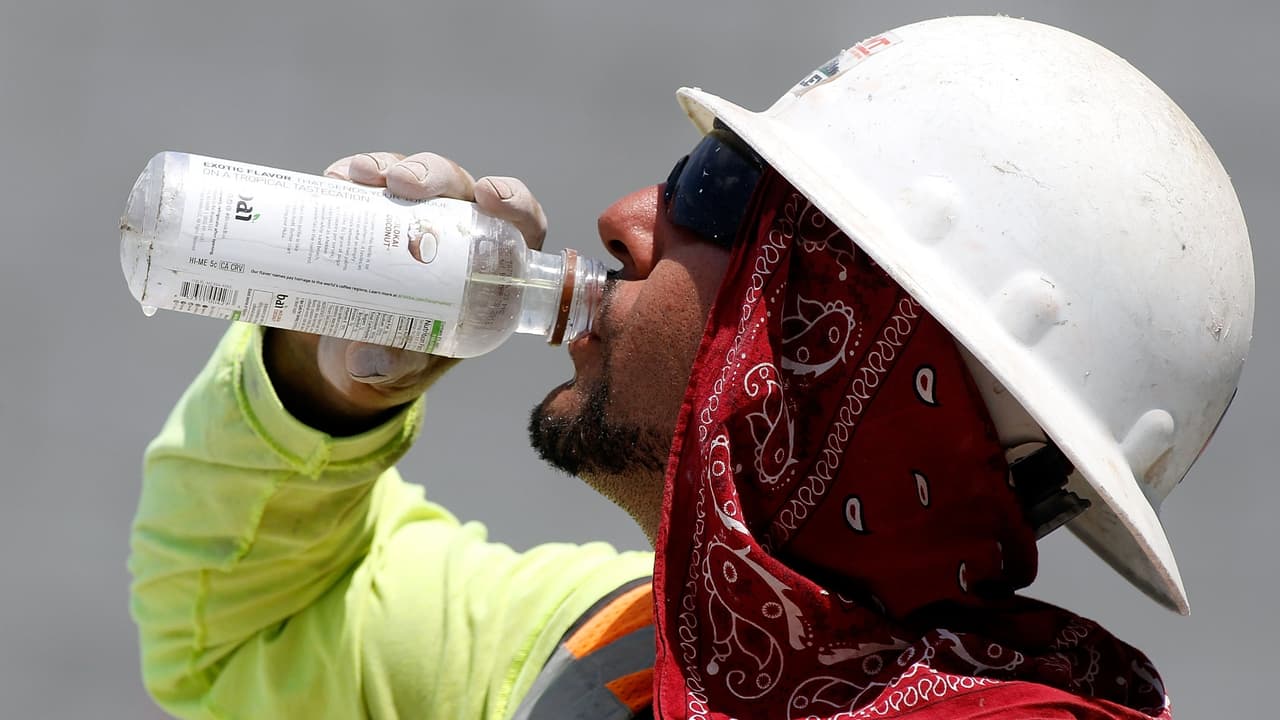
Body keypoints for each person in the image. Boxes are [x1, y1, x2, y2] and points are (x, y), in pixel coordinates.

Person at [128, 16, 1253, 720]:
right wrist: (318, 387)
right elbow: (245, 639)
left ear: (841, 355)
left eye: (713, 193)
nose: (622, 218)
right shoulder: (614, 650)